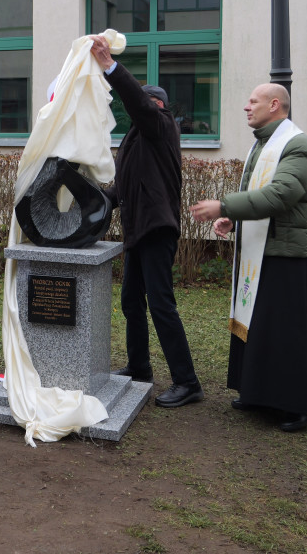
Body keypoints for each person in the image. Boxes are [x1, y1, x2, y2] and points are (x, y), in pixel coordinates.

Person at [189, 83, 307, 432]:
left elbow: (281, 194)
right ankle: (257, 392)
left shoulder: (297, 144)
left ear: (274, 104)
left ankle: (295, 404)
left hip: (285, 255)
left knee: (285, 332)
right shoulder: (265, 142)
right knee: (258, 327)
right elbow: (259, 195)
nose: (245, 107)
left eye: (252, 101)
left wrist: (223, 205)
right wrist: (234, 219)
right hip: (262, 250)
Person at [89, 35, 203, 408]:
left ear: (157, 107)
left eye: (145, 105)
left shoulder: (161, 126)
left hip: (157, 230)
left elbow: (138, 103)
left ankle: (187, 382)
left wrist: (110, 67)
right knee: (131, 302)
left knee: (161, 304)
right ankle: (139, 368)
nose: (136, 110)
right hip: (138, 232)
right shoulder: (136, 139)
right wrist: (88, 200)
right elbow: (120, 190)